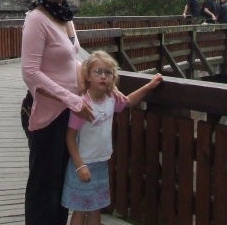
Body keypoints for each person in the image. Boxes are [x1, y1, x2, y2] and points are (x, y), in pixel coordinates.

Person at [21, 0, 95, 225]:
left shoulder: (64, 16)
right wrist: (72, 99)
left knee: (62, 185)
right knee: (44, 187)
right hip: (46, 113)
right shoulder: (37, 19)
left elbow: (74, 60)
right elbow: (30, 72)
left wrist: (106, 85)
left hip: (68, 112)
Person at [61, 51, 163, 225]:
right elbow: (70, 137)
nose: (103, 76)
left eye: (107, 73)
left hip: (101, 163)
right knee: (80, 210)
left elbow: (129, 101)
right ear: (87, 76)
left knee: (95, 208)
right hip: (84, 164)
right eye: (98, 72)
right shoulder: (82, 105)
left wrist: (149, 86)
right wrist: (80, 166)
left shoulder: (110, 100)